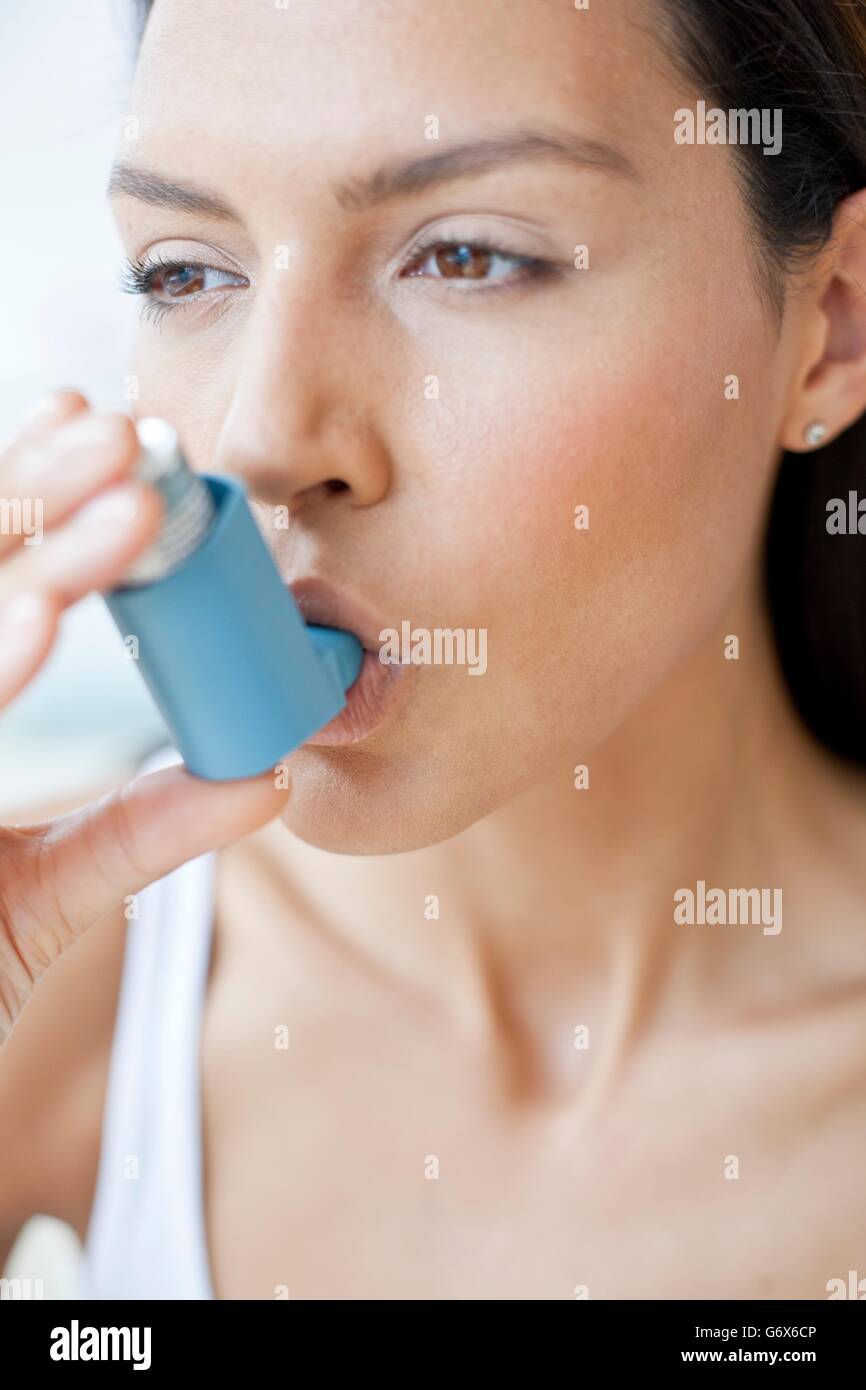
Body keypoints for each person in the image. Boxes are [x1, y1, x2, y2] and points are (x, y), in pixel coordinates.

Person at [2, 0, 866, 1299]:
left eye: (465, 256)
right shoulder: (69, 974)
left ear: (832, 325)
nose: (257, 442)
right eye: (185, 271)